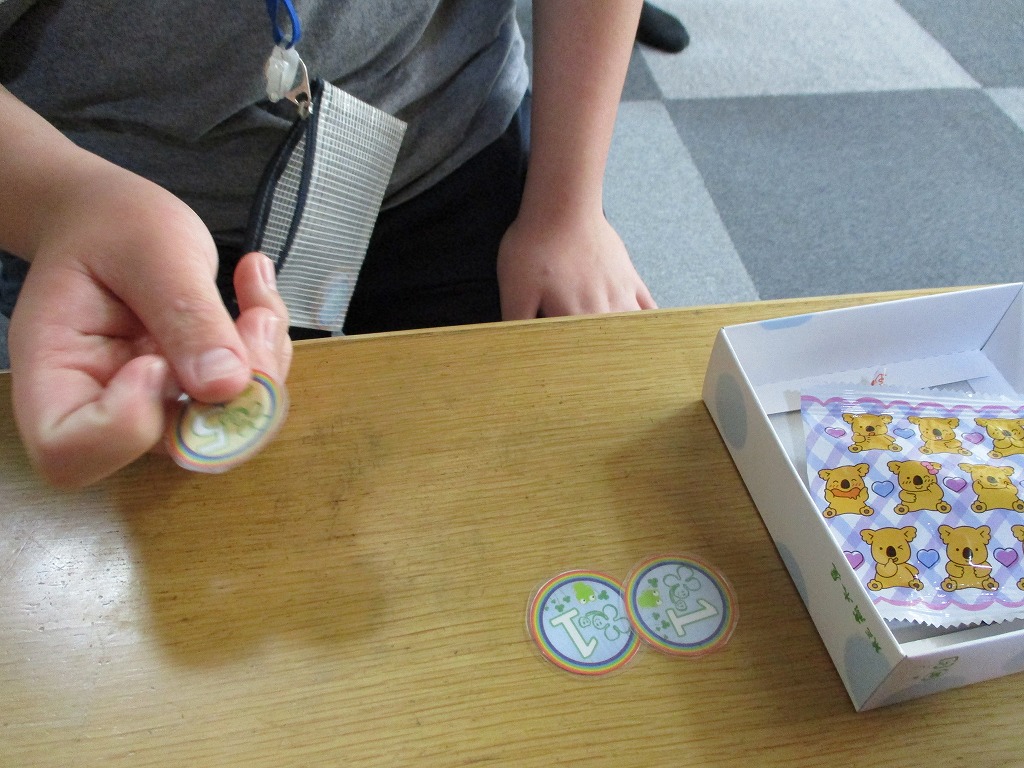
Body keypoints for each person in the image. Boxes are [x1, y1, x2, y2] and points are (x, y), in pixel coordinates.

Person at [0, 1, 655, 488]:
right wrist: (64, 205)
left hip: (458, 147)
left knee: (536, 473)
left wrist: (567, 209)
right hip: (109, 225)